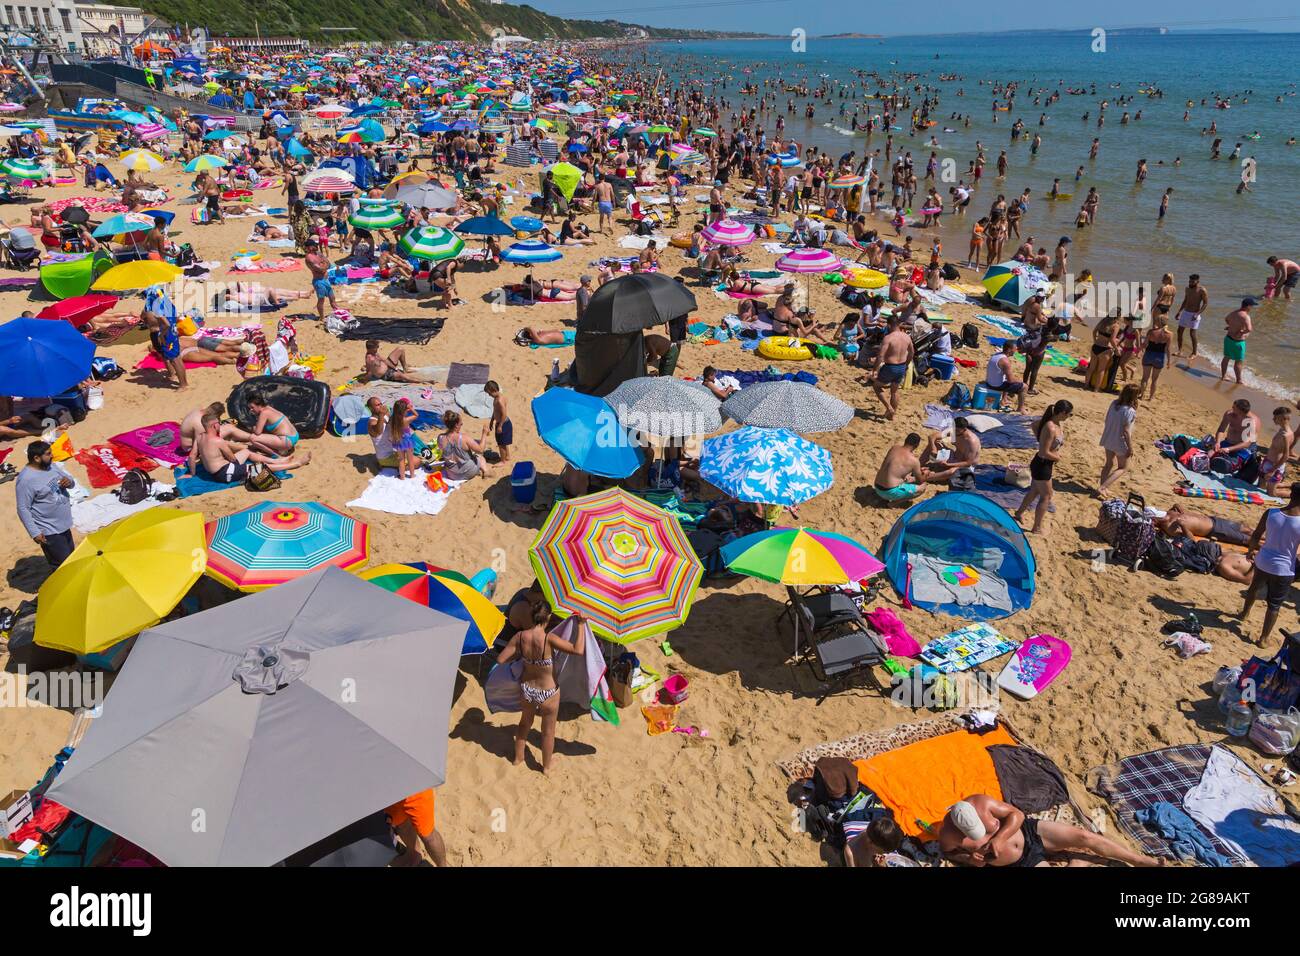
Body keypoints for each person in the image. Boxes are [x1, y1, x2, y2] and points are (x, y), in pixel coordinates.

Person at [940, 794, 1161, 867]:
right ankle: (1078, 863)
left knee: (1085, 836)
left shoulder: (981, 802)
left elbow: (1015, 814)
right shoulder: (948, 834)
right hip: (1019, 862)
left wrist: (1000, 837)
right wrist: (971, 858)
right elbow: (950, 853)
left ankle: (1139, 860)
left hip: (1029, 832)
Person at [495, 602, 587, 773]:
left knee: (524, 724)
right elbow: (578, 650)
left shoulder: (520, 637)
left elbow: (501, 659)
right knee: (548, 732)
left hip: (527, 689)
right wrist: (581, 625)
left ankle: (518, 758)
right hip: (548, 693)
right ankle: (546, 766)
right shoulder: (549, 639)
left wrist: (521, 658)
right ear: (549, 617)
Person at [1239, 482, 1300, 647]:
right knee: (1274, 605)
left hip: (1263, 561)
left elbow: (1257, 534)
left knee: (1253, 588)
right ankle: (1263, 639)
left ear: (1291, 495)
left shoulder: (1271, 513)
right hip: (1283, 568)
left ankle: (1244, 614)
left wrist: (1251, 551)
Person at [194, 411, 311, 481]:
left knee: (247, 453)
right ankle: (295, 464)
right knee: (257, 468)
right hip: (224, 474)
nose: (220, 426)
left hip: (217, 471)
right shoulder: (218, 441)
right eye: (218, 424)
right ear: (214, 426)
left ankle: (278, 461)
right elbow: (232, 458)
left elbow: (192, 455)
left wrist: (191, 474)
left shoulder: (199, 436)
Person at [16, 441, 76, 568]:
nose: (52, 456)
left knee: (72, 558)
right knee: (62, 566)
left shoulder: (51, 466)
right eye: (48, 454)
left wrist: (68, 482)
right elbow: (23, 508)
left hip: (63, 524)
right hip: (49, 530)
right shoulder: (26, 480)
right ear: (36, 458)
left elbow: (70, 481)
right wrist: (35, 532)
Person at [1016, 400, 1072, 534]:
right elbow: (1044, 452)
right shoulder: (1050, 427)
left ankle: (1018, 513)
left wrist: (1040, 438)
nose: (1069, 417)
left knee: (1035, 491)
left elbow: (1034, 425)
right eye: (1069, 414)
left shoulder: (1055, 423)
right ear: (1063, 413)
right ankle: (1037, 528)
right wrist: (1057, 457)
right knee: (1047, 496)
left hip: (1043, 464)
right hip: (1042, 464)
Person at [385, 790, 448, 867]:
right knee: (401, 823)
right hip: (390, 791)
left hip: (414, 789)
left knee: (428, 836)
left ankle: (443, 865)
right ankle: (414, 855)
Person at [1098, 384, 1140, 495]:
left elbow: (1107, 419)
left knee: (1108, 464)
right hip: (1120, 441)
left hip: (1109, 437)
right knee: (1123, 468)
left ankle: (1103, 487)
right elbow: (1126, 431)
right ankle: (1103, 487)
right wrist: (1130, 448)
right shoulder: (1130, 411)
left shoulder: (1114, 404)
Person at [871, 315, 914, 420]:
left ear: (889, 325)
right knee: (894, 391)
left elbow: (880, 356)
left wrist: (875, 370)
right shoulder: (906, 337)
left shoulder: (888, 338)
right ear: (899, 324)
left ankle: (889, 408)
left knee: (876, 386)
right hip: (901, 367)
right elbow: (912, 353)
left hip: (890, 367)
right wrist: (906, 364)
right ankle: (891, 416)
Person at [920, 417, 982, 488]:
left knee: (952, 472)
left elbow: (968, 463)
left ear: (964, 429)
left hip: (964, 466)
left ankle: (925, 477)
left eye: (957, 430)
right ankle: (917, 466)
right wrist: (933, 449)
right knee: (936, 443)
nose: (954, 431)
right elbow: (932, 437)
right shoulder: (954, 431)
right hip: (954, 457)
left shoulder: (972, 441)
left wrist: (948, 464)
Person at [180, 403, 251, 461]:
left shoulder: (199, 411)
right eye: (218, 417)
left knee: (230, 425)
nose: (219, 419)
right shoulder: (199, 423)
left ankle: (251, 437)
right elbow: (201, 443)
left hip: (196, 439)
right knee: (220, 442)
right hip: (191, 448)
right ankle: (246, 447)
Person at [1156, 504, 1252, 546]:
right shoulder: (1169, 528)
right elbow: (1191, 539)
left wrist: (1176, 506)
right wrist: (1183, 525)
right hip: (1215, 531)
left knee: (1248, 530)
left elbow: (1175, 505)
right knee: (1248, 540)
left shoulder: (1168, 513)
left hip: (1214, 519)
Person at [245, 390, 301, 457]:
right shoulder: (268, 408)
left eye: (252, 407)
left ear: (259, 405)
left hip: (287, 441)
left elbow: (257, 432)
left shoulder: (264, 413)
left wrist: (253, 427)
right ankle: (282, 448)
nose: (251, 410)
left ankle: (274, 454)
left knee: (253, 438)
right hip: (295, 436)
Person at [873, 433, 926, 503]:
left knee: (907, 477)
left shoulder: (894, 448)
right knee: (923, 487)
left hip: (877, 487)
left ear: (905, 440)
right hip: (889, 492)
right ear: (916, 445)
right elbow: (920, 481)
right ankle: (894, 503)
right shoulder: (914, 461)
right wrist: (925, 474)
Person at [437, 410, 489, 480]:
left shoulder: (440, 438)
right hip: (469, 471)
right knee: (480, 457)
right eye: (461, 424)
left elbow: (443, 449)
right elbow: (481, 450)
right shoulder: (464, 438)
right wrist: (484, 433)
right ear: (456, 425)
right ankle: (486, 471)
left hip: (452, 475)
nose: (462, 425)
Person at [1212, 399, 1260, 471]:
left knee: (1227, 465)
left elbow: (1247, 443)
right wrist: (1218, 442)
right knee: (1210, 454)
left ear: (1241, 411)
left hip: (1244, 448)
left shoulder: (1253, 421)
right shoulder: (1229, 414)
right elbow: (1221, 430)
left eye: (1234, 408)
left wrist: (1228, 449)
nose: (1232, 409)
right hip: (1228, 442)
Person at [1219, 297, 1256, 384]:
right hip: (1238, 342)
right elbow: (1249, 329)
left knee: (1226, 358)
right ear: (1248, 306)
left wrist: (1231, 326)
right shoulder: (1246, 316)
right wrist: (1241, 332)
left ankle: (1223, 376)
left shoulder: (1234, 313)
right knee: (1239, 361)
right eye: (1252, 306)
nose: (1252, 308)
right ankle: (1239, 380)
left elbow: (1226, 319)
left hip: (1228, 338)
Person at [1259, 406, 1295, 491]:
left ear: (1282, 418)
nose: (1273, 419)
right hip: (1267, 461)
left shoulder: (1287, 435)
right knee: (1261, 488)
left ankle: (1291, 488)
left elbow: (1286, 456)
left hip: (1275, 467)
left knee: (1271, 493)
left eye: (1275, 417)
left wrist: (1272, 470)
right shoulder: (1280, 430)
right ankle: (1279, 485)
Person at [984, 339, 1026, 412]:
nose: (1016, 350)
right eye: (1015, 349)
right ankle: (1021, 408)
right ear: (1009, 350)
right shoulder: (1005, 361)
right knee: (1024, 387)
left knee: (1005, 378)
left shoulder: (996, 355)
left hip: (988, 382)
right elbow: (1011, 380)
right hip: (996, 386)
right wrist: (1020, 381)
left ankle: (1004, 399)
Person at [1139, 309, 1172, 401]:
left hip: (1149, 354)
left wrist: (1139, 350)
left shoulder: (1151, 332)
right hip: (1159, 357)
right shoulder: (1169, 335)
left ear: (1158, 322)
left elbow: (1145, 344)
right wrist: (1169, 362)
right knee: (1154, 380)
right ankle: (1151, 397)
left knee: (1145, 378)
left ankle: (1141, 396)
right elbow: (1168, 349)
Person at [1174, 273, 1208, 357]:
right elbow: (1185, 300)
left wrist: (1197, 314)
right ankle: (1179, 350)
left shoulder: (1202, 290)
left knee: (1192, 334)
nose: (1190, 283)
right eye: (1190, 281)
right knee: (1179, 331)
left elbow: (1205, 303)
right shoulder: (1187, 289)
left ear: (1197, 281)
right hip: (1185, 313)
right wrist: (1179, 311)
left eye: (1193, 281)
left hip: (1194, 314)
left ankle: (1194, 353)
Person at [304, 239, 336, 321]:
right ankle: (321, 317)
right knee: (321, 300)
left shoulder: (318, 253)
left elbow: (328, 264)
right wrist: (324, 264)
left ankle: (337, 312)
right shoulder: (309, 258)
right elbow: (321, 269)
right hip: (319, 281)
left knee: (332, 298)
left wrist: (324, 264)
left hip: (326, 280)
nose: (316, 246)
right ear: (309, 247)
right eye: (314, 245)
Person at [483, 380, 511, 464]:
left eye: (489, 393)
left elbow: (504, 413)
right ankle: (508, 456)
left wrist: (500, 425)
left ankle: (502, 461)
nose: (489, 395)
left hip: (503, 423)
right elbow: (495, 411)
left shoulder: (499, 400)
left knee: (501, 443)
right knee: (504, 441)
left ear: (494, 390)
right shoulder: (497, 398)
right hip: (502, 422)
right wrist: (492, 420)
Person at [389, 397, 418, 480]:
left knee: (401, 460)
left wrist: (406, 409)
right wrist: (411, 408)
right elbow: (416, 415)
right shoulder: (406, 420)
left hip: (398, 441)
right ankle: (412, 475)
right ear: (404, 410)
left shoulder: (393, 420)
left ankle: (402, 477)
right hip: (407, 441)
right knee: (410, 459)